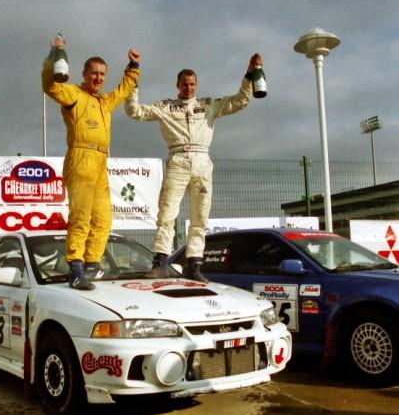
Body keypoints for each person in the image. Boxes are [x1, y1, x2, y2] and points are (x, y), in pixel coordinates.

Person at [125, 54, 263, 281]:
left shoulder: (209, 105)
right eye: (184, 84)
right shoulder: (166, 107)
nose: (188, 88)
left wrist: (250, 73)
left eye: (192, 84)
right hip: (178, 159)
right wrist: (133, 79)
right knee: (167, 213)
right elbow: (135, 111)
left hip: (202, 162)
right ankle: (160, 262)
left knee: (200, 217)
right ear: (177, 85)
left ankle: (194, 265)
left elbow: (240, 101)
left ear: (196, 85)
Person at [42, 36, 141, 290]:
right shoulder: (74, 94)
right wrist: (54, 55)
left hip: (100, 161)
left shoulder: (105, 101)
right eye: (94, 73)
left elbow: (124, 90)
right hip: (81, 156)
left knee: (103, 218)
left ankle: (93, 265)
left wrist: (133, 67)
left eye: (102, 74)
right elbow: (49, 86)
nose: (98, 78)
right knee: (81, 216)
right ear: (84, 74)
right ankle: (75, 268)